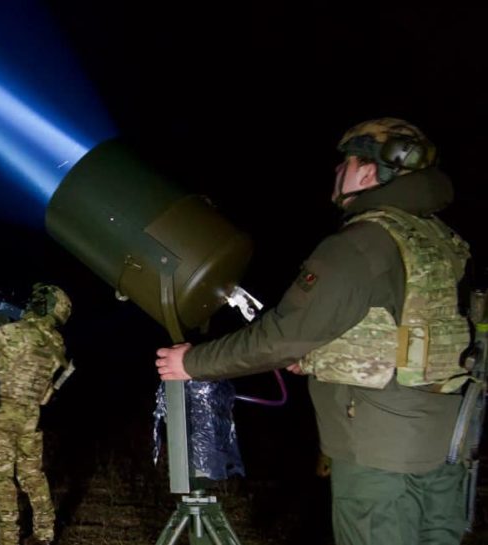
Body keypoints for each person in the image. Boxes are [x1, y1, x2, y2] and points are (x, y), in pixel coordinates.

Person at [155, 118, 472, 545]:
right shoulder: (438, 240)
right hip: (446, 448)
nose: (338, 172)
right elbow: (403, 334)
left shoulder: (361, 243)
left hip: (380, 460)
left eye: (346, 162)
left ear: (367, 170)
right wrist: (320, 358)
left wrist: (190, 363)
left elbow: (281, 337)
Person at [0, 283, 72, 545]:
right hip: (30, 415)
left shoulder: (12, 331)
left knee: (1, 480)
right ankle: (45, 533)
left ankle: (8, 539)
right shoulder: (56, 343)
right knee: (32, 475)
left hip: (1, 413)